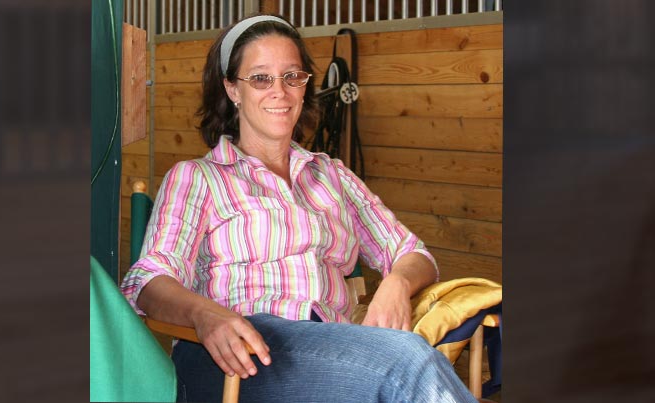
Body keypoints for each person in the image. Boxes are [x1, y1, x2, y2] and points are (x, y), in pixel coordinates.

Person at [121, 14, 477, 403]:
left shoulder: (332, 176)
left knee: (400, 365)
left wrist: (397, 282)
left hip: (327, 346)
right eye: (260, 78)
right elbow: (150, 282)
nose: (280, 91)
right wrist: (204, 315)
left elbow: (413, 253)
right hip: (236, 358)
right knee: (406, 361)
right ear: (232, 89)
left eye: (293, 76)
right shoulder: (198, 178)